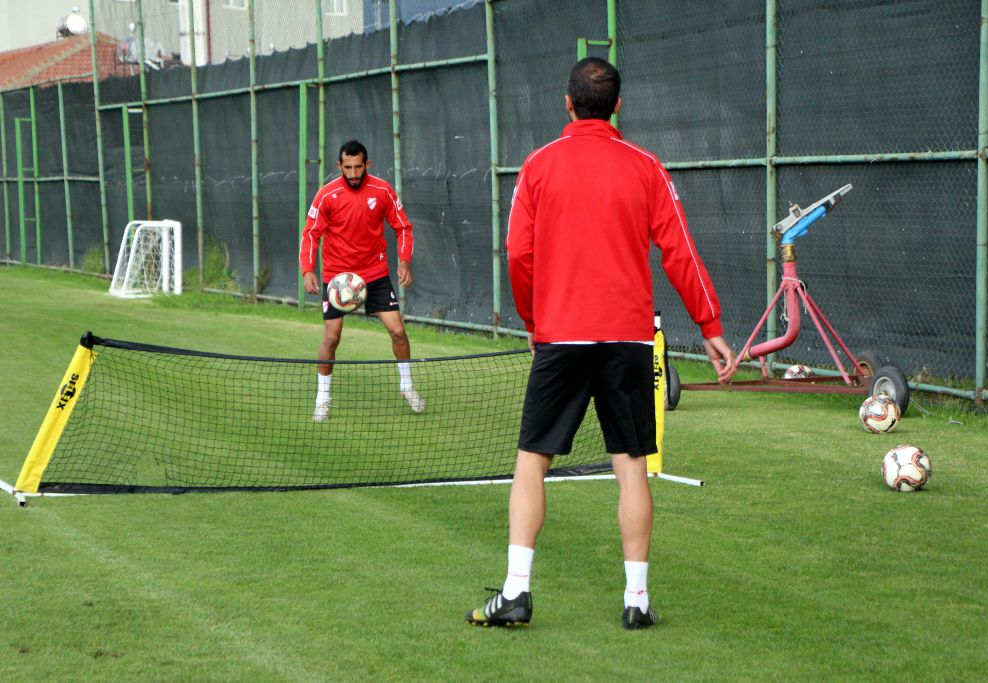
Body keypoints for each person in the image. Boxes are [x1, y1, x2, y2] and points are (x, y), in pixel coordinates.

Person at [465, 58, 736, 630]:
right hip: (628, 338)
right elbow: (679, 251)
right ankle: (635, 601)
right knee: (632, 466)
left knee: (531, 463)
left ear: (567, 103)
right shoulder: (646, 167)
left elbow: (518, 254)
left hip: (561, 334)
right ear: (618, 106)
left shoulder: (537, 166)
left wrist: (535, 321)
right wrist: (710, 326)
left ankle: (517, 592)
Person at [300, 140, 425, 420]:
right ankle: (322, 399)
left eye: (358, 167)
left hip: (375, 273)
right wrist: (307, 270)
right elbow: (311, 233)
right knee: (332, 337)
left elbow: (403, 227)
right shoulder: (326, 195)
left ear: (367, 164)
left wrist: (404, 261)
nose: (354, 174)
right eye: (348, 168)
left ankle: (407, 386)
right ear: (339, 166)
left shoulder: (382, 190)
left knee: (397, 332)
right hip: (338, 278)